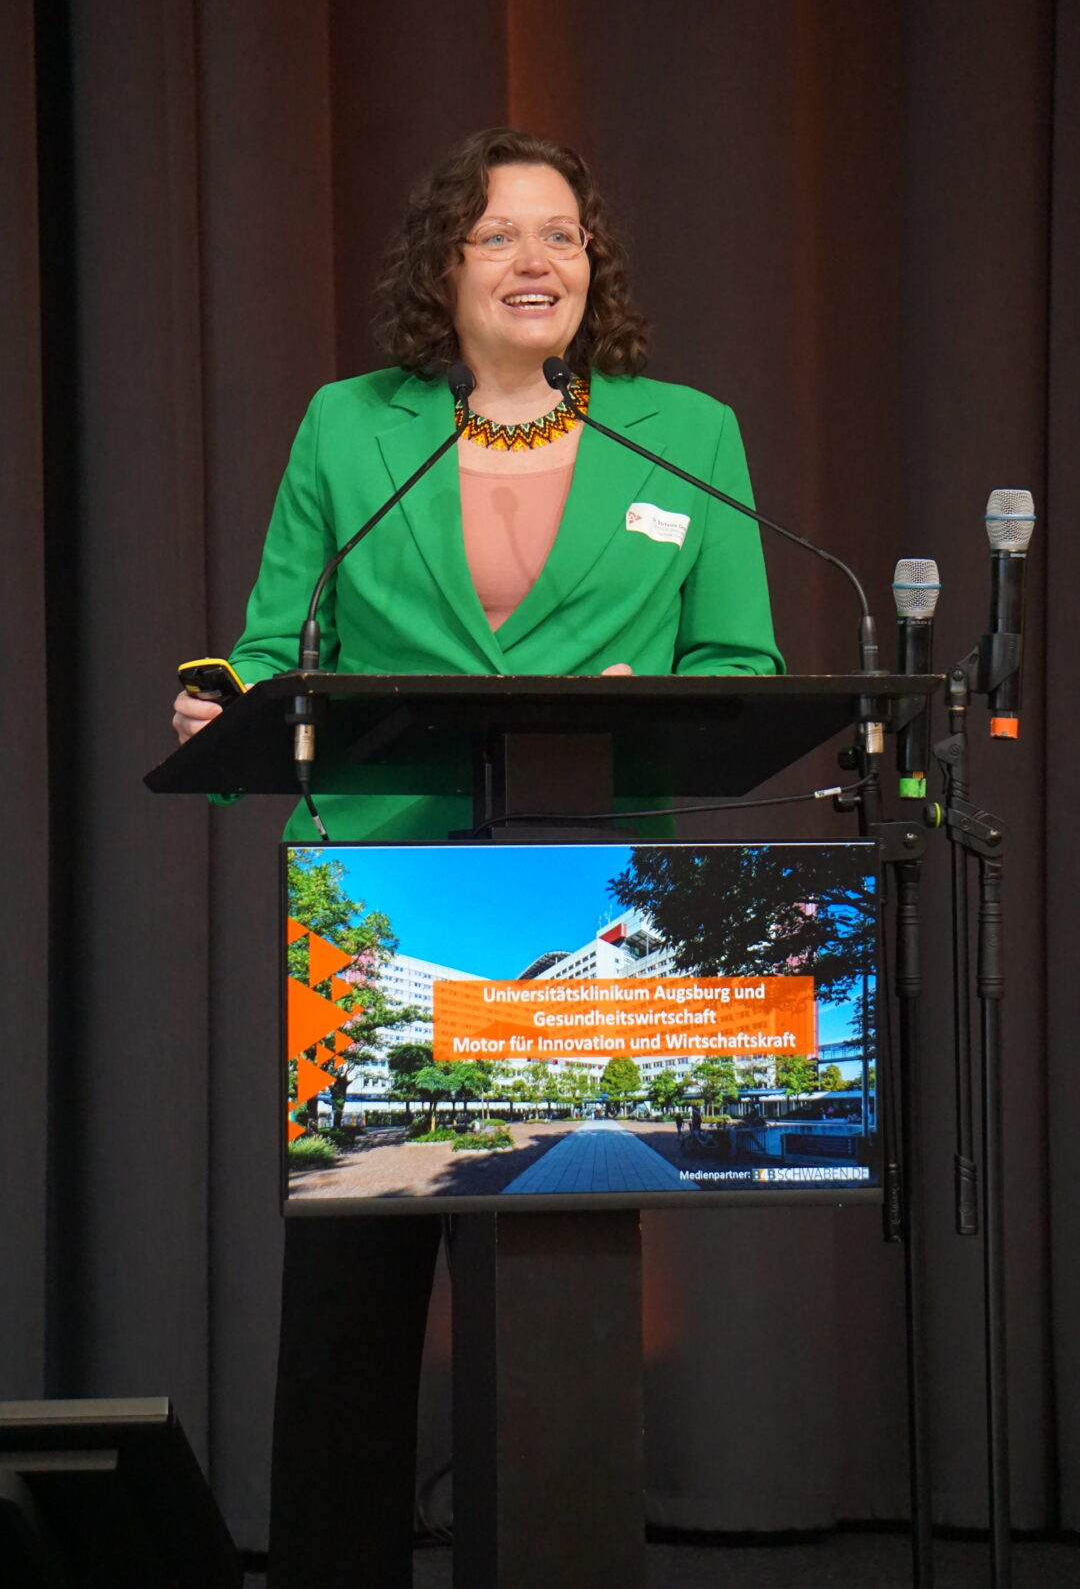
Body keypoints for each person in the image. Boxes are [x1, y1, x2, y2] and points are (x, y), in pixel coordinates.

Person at [172, 127, 782, 1587]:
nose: (535, 259)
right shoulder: (351, 428)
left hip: (584, 890)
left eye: (562, 234)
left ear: (592, 265)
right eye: (499, 232)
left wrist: (657, 707)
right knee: (352, 1300)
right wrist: (219, 699)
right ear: (443, 265)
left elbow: (743, 664)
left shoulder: (685, 434)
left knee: (557, 1287)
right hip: (381, 895)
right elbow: (272, 645)